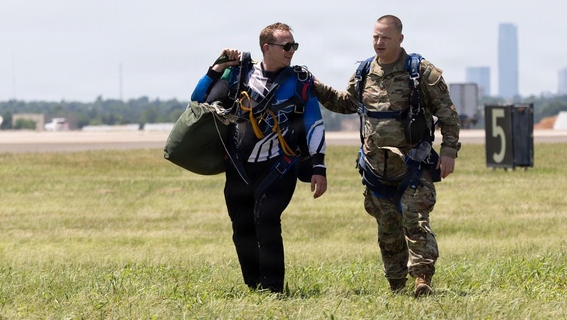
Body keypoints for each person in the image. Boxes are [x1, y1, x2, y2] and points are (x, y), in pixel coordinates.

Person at [312, 15, 460, 297]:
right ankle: (395, 284)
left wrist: (449, 151)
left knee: (415, 221)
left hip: (413, 165)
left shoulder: (421, 72)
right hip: (376, 167)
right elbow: (347, 103)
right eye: (375, 37)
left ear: (400, 39)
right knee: (388, 229)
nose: (379, 42)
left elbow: (448, 115)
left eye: (385, 38)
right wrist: (316, 86)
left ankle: (422, 280)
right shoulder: (365, 71)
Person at [191, 22, 328, 294]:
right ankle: (254, 288)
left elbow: (315, 123)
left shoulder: (300, 81)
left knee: (267, 221)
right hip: (239, 168)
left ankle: (273, 289)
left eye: (294, 45)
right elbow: (198, 101)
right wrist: (217, 68)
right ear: (267, 47)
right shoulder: (239, 73)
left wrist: (319, 167)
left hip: (279, 166)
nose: (291, 50)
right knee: (241, 228)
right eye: (286, 46)